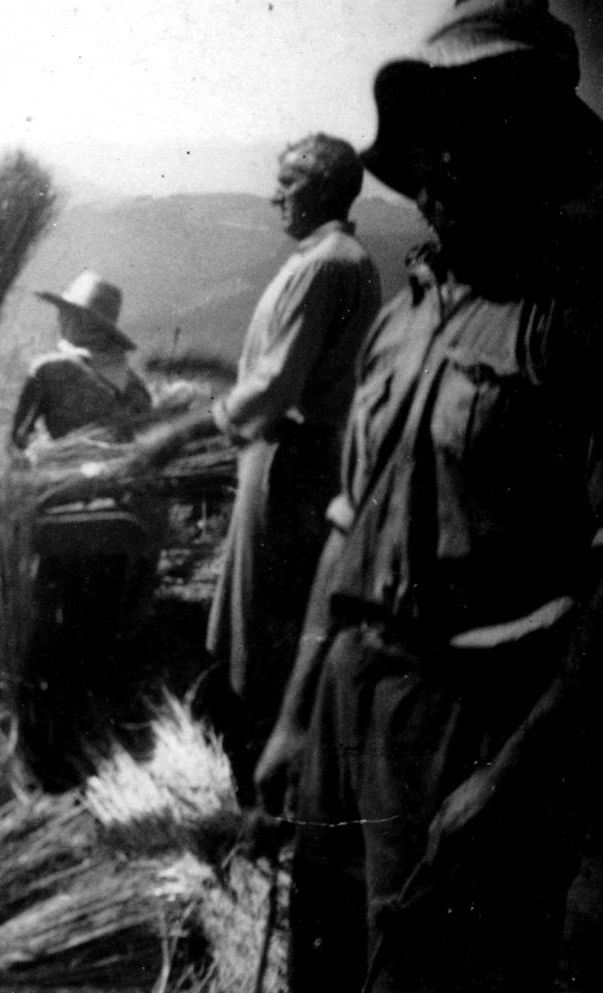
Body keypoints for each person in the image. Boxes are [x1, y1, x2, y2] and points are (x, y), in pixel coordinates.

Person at [254, 3, 603, 990]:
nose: (441, 165)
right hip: (346, 696)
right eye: (431, 140)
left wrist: (508, 782)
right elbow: (345, 529)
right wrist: (293, 717)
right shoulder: (404, 318)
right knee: (324, 956)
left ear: (533, 152)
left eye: (474, 138)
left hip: (468, 723)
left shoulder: (570, 325)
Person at [201, 134, 382, 797]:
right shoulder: (338, 260)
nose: (276, 195)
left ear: (325, 187)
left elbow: (275, 384)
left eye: (289, 182)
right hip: (296, 457)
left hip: (289, 462)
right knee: (266, 614)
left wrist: (195, 424)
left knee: (264, 622)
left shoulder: (324, 265)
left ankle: (263, 791)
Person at [10, 270, 152, 449]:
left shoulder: (47, 371)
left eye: (64, 312)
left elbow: (17, 441)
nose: (59, 318)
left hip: (59, 471)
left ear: (76, 319)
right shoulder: (135, 385)